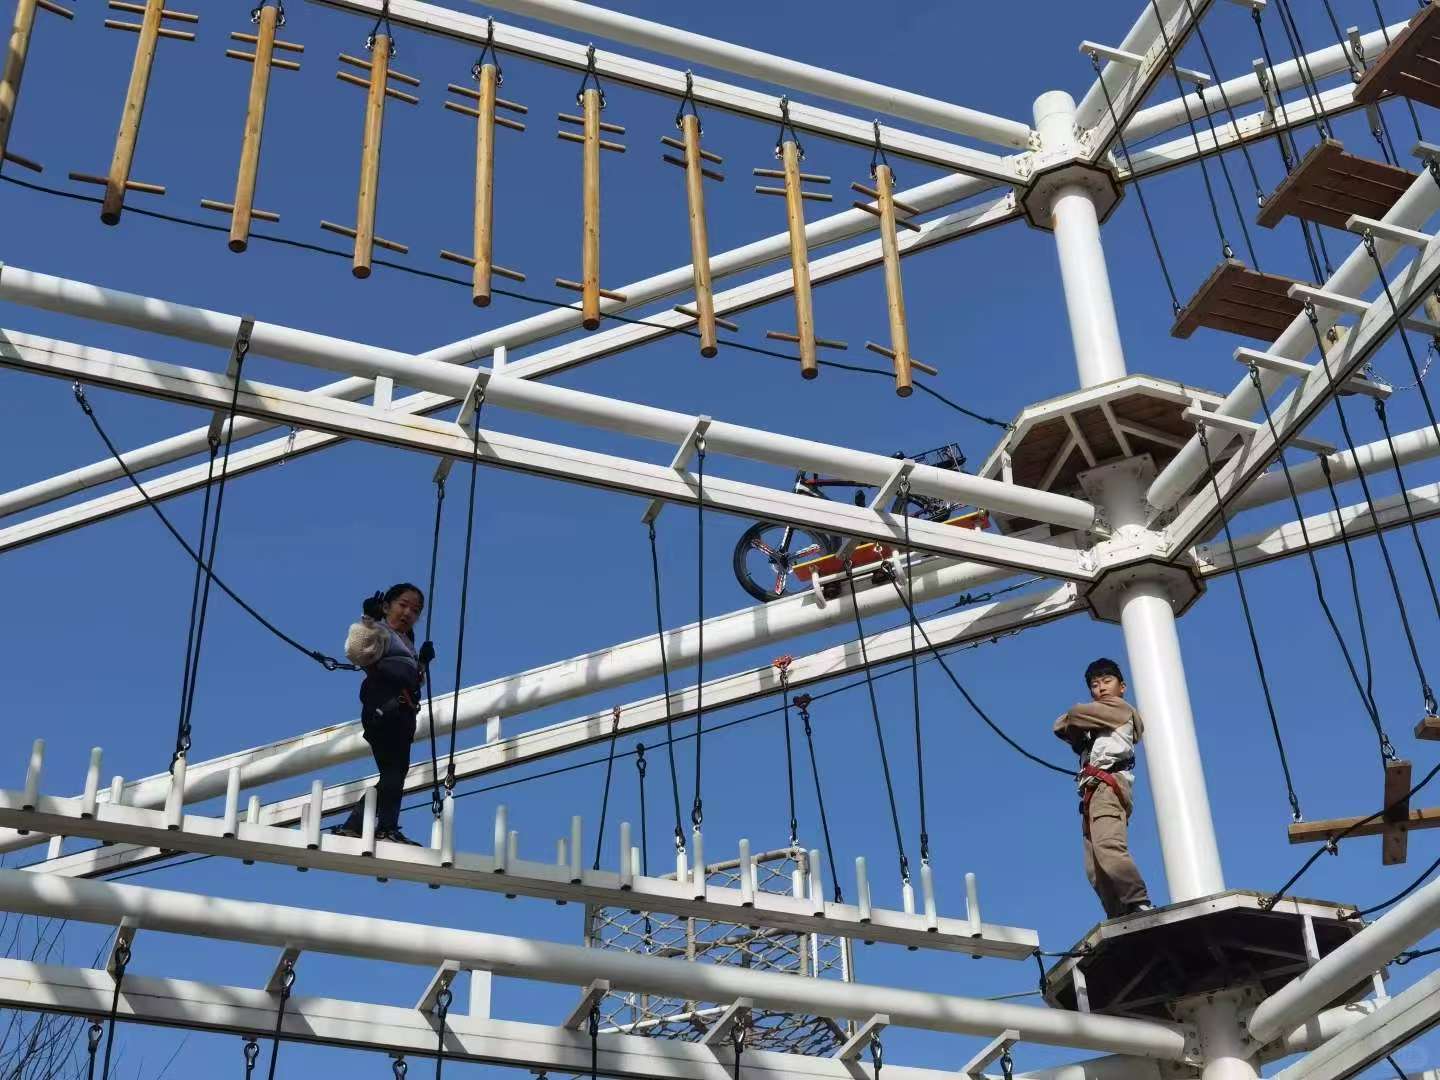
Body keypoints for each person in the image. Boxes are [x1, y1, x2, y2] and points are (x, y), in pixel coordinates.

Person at [332, 583, 435, 845]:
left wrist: (422, 663)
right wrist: (368, 620)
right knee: (394, 772)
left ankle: (355, 826)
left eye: (415, 610)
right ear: (387, 607)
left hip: (401, 714)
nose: (409, 613)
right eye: (403, 605)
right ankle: (386, 828)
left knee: (395, 773)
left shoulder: (406, 643)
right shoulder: (381, 632)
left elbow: (411, 679)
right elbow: (357, 651)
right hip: (385, 711)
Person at [1053, 658, 1153, 919]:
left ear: (1122, 687)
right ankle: (1119, 914)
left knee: (1108, 846)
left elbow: (1073, 716)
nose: (1101, 688)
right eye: (1095, 685)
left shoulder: (1119, 708)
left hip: (1108, 787)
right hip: (1093, 791)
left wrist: (1078, 725)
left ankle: (1138, 901)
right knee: (1094, 867)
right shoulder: (1098, 721)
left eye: (1107, 681)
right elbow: (1059, 726)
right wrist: (1079, 731)